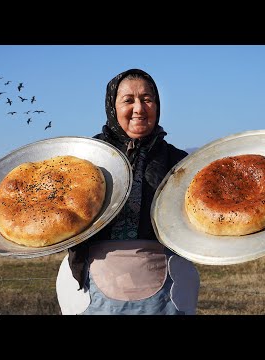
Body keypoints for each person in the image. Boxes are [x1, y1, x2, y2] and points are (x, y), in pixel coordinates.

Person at [56, 68, 200, 315]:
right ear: (112, 107)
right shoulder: (87, 160)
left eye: (147, 99)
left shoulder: (179, 163)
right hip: (93, 285)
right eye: (128, 100)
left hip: (165, 290)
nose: (139, 108)